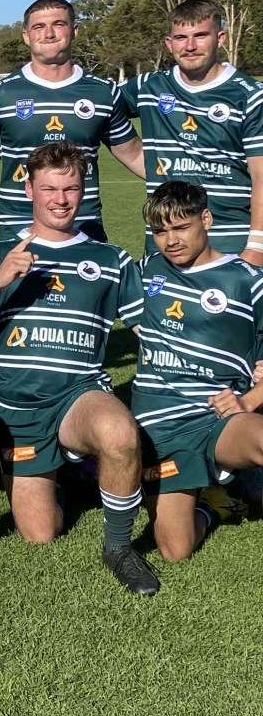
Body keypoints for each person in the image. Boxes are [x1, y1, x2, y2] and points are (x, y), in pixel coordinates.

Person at [0, 142, 159, 596]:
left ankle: (119, 547)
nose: (61, 199)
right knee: (40, 533)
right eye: (49, 189)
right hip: (16, 409)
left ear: (84, 190)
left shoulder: (111, 259)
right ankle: (70, 474)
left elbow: (151, 335)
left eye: (71, 188)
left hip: (79, 394)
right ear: (29, 190)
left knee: (120, 434)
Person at [134, 181, 263, 561]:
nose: (170, 240)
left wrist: (250, 399)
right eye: (160, 231)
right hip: (161, 426)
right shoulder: (146, 270)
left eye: (181, 227)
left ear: (205, 218)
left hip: (219, 418)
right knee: (176, 549)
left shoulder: (247, 279)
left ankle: (239, 472)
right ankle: (215, 503)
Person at [0, 0, 143, 241]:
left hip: (83, 225)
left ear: (74, 31)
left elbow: (134, 154)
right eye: (38, 27)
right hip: (17, 227)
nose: (49, 33)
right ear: (26, 36)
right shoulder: (1, 93)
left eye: (58, 24)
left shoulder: (103, 92)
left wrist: (197, 183)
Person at [120, 0, 263, 261]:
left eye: (200, 36)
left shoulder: (251, 96)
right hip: (164, 242)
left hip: (229, 243)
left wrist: (257, 247)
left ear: (219, 38)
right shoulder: (147, 87)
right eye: (181, 38)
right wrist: (142, 160)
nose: (190, 46)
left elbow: (261, 176)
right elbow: (99, 112)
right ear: (168, 43)